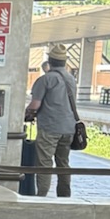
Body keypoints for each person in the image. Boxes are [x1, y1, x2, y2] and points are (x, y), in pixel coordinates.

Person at [26, 50, 80, 199]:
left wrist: (26, 114)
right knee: (63, 163)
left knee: (44, 164)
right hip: (69, 128)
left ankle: (41, 196)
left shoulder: (46, 79)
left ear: (50, 60)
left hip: (49, 128)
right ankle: (64, 196)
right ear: (65, 62)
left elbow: (35, 105)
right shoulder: (71, 79)